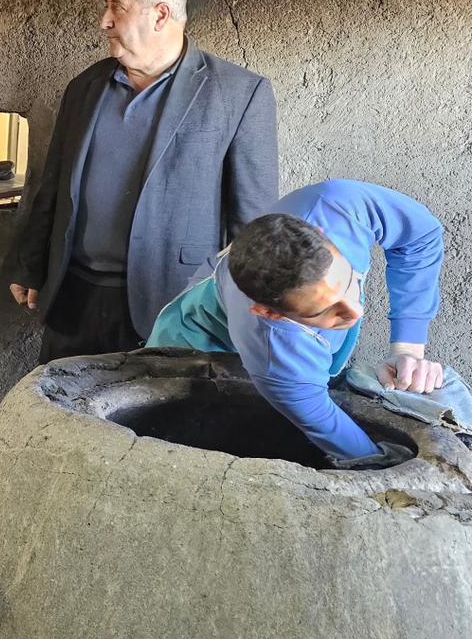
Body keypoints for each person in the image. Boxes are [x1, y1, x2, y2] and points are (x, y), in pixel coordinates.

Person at [6, 0, 278, 362]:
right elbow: (53, 185)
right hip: (73, 299)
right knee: (58, 401)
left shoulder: (239, 93)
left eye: (117, 7)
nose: (104, 21)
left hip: (173, 305)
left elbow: (252, 223)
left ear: (161, 15)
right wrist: (31, 265)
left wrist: (244, 309)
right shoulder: (85, 87)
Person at [148, 180, 469, 467]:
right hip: (201, 340)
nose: (354, 312)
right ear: (270, 313)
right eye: (325, 311)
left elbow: (421, 236)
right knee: (197, 436)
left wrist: (408, 350)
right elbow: (333, 430)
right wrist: (385, 466)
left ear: (322, 235)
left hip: (272, 317)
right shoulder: (273, 353)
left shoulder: (337, 206)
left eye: (347, 282)